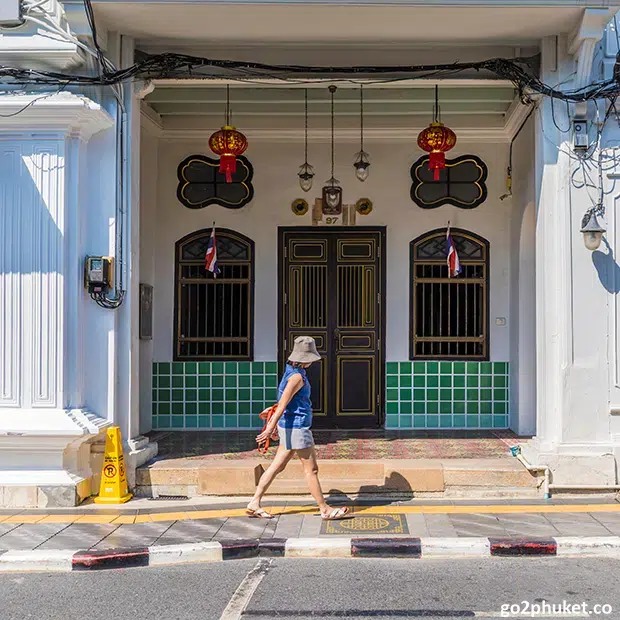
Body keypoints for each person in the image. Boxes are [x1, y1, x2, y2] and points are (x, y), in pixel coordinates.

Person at [246, 336, 350, 521]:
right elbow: (284, 403)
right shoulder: (296, 377)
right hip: (297, 428)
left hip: (289, 427)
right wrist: (269, 428)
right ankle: (324, 509)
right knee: (312, 470)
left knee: (277, 466)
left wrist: (273, 417)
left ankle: (255, 502)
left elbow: (284, 402)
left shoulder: (290, 371)